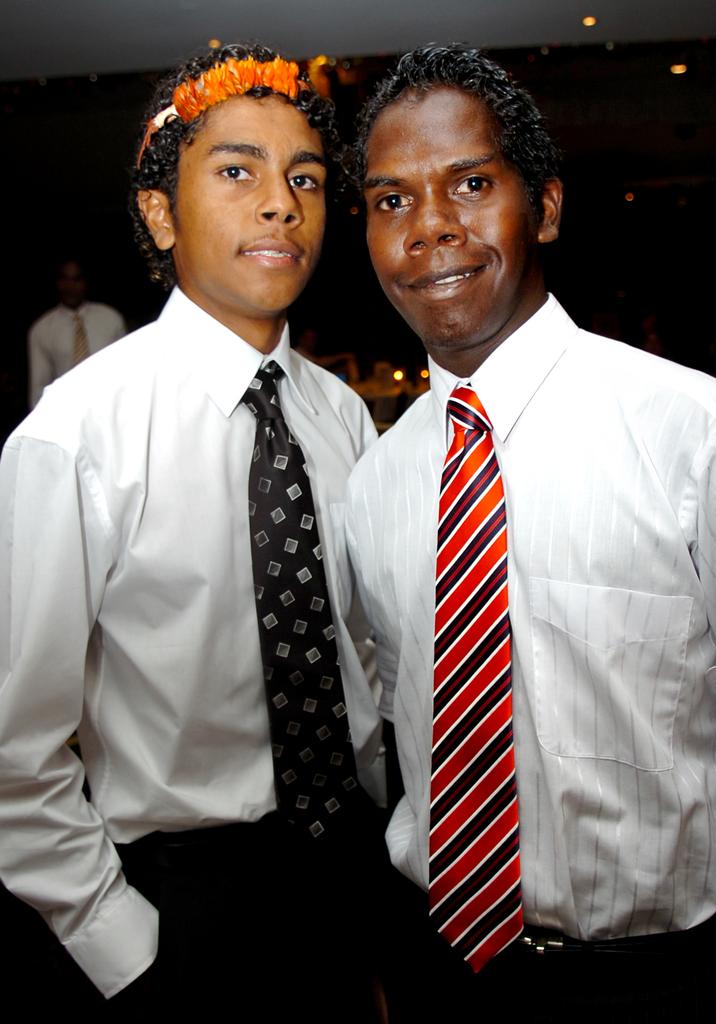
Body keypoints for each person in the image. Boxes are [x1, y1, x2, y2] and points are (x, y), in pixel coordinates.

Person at [345, 44, 716, 1022]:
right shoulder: (376, 485)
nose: (431, 229)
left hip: (663, 985)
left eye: (470, 184)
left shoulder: (704, 439)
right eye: (391, 200)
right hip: (447, 975)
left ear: (544, 207)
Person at [0, 41, 385, 1017]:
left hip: (346, 867)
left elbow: (368, 653)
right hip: (180, 899)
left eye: (304, 177)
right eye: (236, 171)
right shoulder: (76, 434)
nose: (279, 202)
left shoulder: (339, 414)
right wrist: (123, 945)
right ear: (161, 212)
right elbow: (15, 745)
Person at [27, 258, 126, 407]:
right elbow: (38, 389)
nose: (70, 286)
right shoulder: (42, 329)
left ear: (86, 282)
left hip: (108, 407)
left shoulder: (111, 319)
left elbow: (125, 372)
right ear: (57, 283)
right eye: (64, 279)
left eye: (76, 279)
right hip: (65, 412)